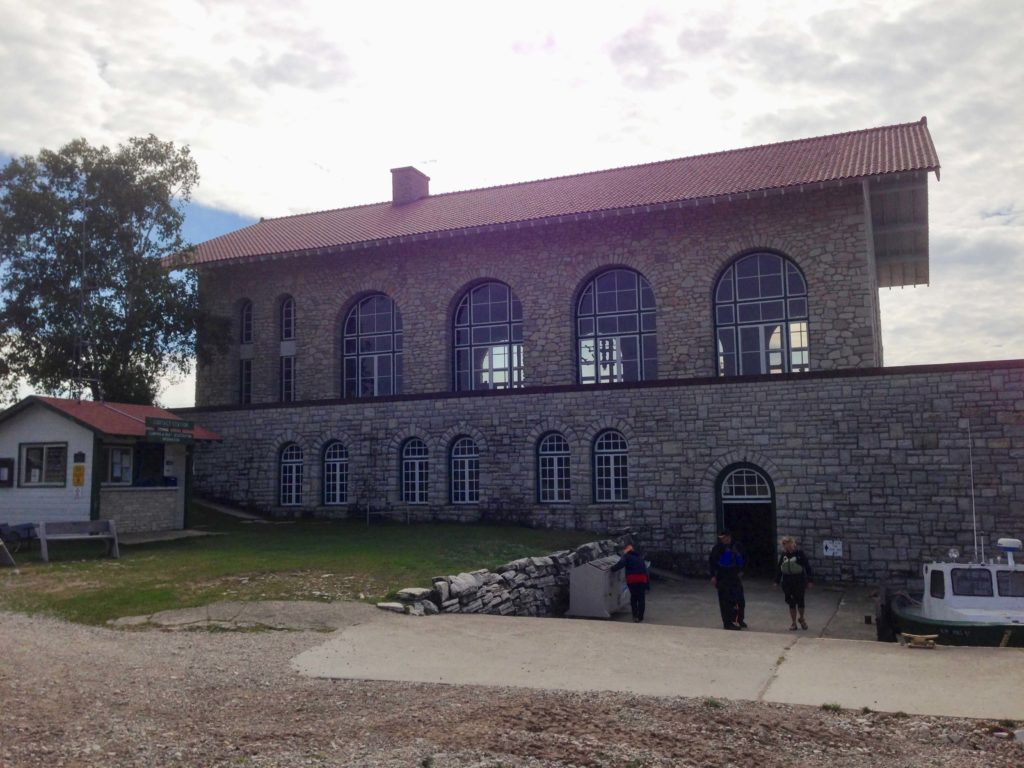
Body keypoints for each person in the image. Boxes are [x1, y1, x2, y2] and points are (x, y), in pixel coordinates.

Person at [708, 529, 746, 630]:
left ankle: (738, 619)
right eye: (722, 538)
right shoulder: (717, 548)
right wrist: (713, 576)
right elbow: (712, 562)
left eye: (725, 537)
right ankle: (728, 623)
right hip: (722, 577)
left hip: (734, 576)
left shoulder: (737, 546)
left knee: (739, 600)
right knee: (725, 601)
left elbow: (743, 557)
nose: (724, 539)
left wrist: (742, 570)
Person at [775, 536, 814, 630]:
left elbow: (807, 567)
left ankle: (802, 618)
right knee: (791, 602)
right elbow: (780, 568)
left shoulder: (800, 554)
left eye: (788, 543)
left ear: (793, 543)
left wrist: (810, 580)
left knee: (800, 601)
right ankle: (793, 623)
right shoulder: (784, 555)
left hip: (799, 580)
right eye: (784, 544)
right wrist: (776, 581)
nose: (786, 546)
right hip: (788, 581)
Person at [610, 543, 650, 623]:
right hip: (642, 579)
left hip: (633, 579)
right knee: (641, 599)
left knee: (634, 598)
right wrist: (647, 585)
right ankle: (640, 617)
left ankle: (635, 616)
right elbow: (646, 571)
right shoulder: (640, 557)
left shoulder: (626, 556)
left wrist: (612, 569)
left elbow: (620, 564)